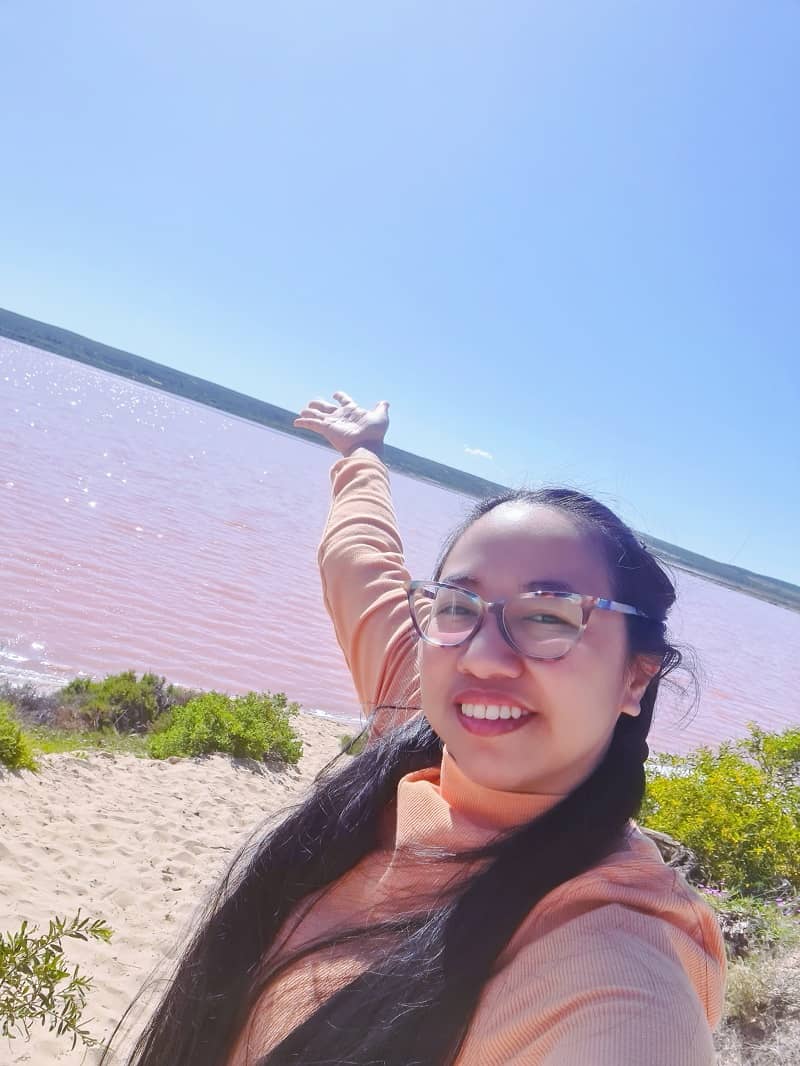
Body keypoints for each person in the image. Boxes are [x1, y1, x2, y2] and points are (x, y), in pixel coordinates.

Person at [120, 392, 726, 1066]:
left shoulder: (618, 973)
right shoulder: (416, 722)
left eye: (550, 617)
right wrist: (360, 455)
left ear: (635, 677)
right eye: (460, 604)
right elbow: (358, 561)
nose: (485, 656)